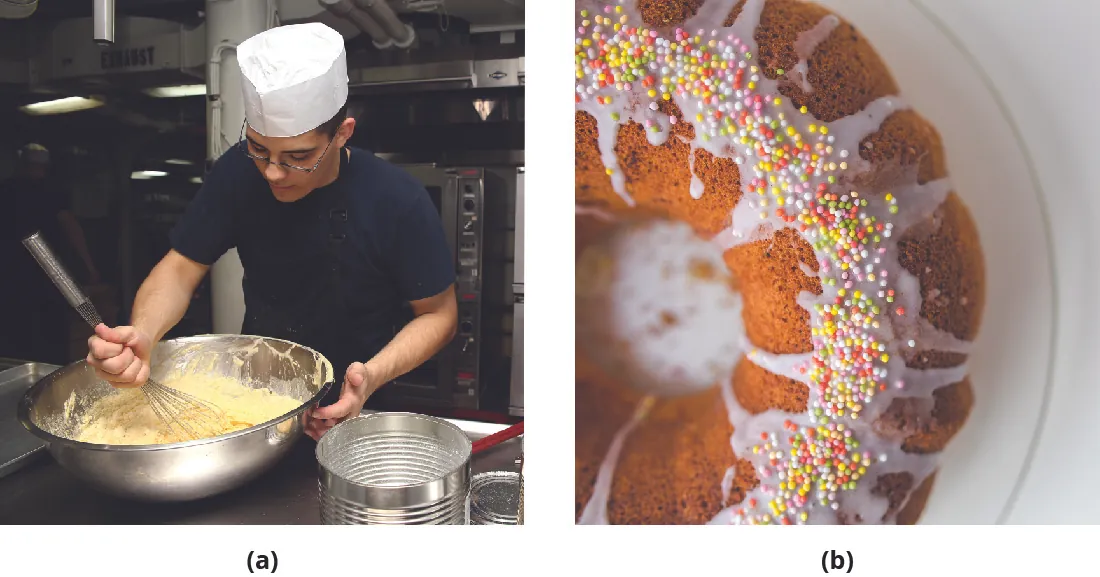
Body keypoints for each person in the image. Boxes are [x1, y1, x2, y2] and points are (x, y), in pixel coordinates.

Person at [84, 23, 458, 441]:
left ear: (342, 134)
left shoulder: (396, 199)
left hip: (361, 409)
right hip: (257, 408)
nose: (273, 173)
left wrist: (369, 377)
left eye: (298, 157)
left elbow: (439, 314)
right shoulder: (237, 174)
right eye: (259, 148)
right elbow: (180, 268)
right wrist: (144, 334)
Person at [0, 143, 101, 364]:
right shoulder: (51, 191)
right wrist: (89, 266)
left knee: (18, 338)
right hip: (44, 278)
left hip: (15, 279)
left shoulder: (7, 189)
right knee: (48, 339)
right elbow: (70, 226)